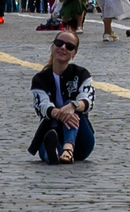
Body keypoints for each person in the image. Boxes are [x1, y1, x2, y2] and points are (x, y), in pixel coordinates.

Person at [28, 28, 96, 164]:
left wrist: (72, 106)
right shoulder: (39, 79)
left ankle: (68, 148)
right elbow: (42, 106)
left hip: (81, 139)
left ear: (74, 54)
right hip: (52, 130)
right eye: (59, 43)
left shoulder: (81, 74)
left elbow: (87, 100)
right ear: (52, 46)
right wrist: (59, 112)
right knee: (46, 145)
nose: (63, 47)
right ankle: (54, 154)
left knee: (70, 102)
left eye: (69, 46)